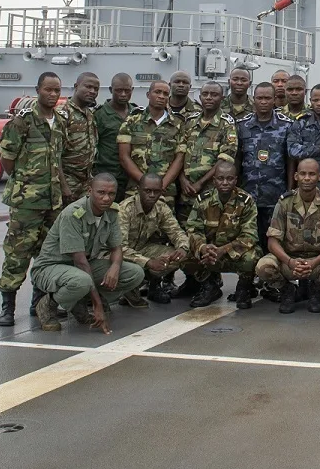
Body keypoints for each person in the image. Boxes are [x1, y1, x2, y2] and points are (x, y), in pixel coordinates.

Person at [29, 173, 143, 332]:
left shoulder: (111, 212)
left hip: (80, 269)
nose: (106, 198)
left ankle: (80, 301)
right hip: (51, 267)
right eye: (101, 192)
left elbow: (116, 247)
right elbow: (80, 261)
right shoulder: (73, 214)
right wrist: (97, 306)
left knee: (135, 273)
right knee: (82, 280)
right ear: (90, 191)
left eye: (111, 194)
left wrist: (115, 267)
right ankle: (48, 305)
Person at [0, 72, 66, 327]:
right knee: (17, 254)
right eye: (48, 89)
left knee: (47, 254)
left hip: (52, 202)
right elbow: (7, 159)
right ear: (38, 89)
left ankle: (39, 304)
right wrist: (24, 183)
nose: (53, 94)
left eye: (57, 90)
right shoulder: (21, 122)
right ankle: (7, 307)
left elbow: (58, 160)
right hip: (26, 202)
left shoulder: (59, 121)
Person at [255, 158, 320, 313]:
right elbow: (272, 241)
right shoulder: (285, 202)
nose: (307, 178)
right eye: (303, 174)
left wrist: (314, 263)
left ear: (319, 177)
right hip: (289, 259)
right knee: (263, 267)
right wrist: (290, 261)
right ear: (296, 176)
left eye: (312, 174)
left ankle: (315, 291)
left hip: (317, 261)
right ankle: (287, 291)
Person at [235, 82, 291, 301]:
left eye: (268, 98)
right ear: (254, 98)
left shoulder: (286, 125)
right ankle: (245, 283)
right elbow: (238, 158)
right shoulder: (243, 125)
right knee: (248, 240)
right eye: (260, 98)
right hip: (248, 195)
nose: (264, 102)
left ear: (275, 100)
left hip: (275, 195)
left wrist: (289, 190)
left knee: (273, 241)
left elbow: (290, 161)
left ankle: (271, 285)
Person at [183, 160, 259, 309]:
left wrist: (223, 250)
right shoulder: (203, 200)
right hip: (209, 254)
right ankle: (209, 286)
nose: (225, 182)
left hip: (232, 253)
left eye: (230, 179)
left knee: (252, 257)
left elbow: (250, 236)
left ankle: (244, 288)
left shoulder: (246, 201)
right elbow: (193, 230)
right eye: (221, 178)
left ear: (236, 180)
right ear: (214, 180)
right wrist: (203, 248)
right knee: (184, 255)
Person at [117, 172, 190, 306]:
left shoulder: (161, 207)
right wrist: (149, 262)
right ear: (138, 189)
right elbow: (120, 248)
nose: (151, 195)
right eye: (147, 191)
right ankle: (128, 288)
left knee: (175, 256)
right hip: (118, 255)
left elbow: (176, 231)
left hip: (141, 249)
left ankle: (151, 285)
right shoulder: (125, 209)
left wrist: (182, 247)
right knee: (133, 264)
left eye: (156, 191)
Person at [175, 82, 239, 227]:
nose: (209, 98)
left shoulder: (227, 124)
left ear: (222, 98)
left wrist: (201, 183)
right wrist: (182, 179)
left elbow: (225, 160)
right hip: (186, 191)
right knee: (185, 232)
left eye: (214, 95)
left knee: (208, 231)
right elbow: (179, 153)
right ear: (200, 97)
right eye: (205, 94)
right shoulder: (190, 122)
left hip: (211, 192)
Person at [116, 81, 184, 209]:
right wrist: (145, 184)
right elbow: (124, 157)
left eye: (165, 94)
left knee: (164, 227)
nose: (161, 96)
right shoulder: (132, 121)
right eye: (157, 92)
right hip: (136, 189)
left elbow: (179, 159)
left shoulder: (178, 124)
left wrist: (161, 186)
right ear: (148, 95)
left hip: (165, 191)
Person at [93, 73, 140, 200]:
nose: (123, 94)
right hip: (108, 175)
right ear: (110, 90)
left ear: (132, 90)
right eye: (119, 90)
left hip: (132, 177)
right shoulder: (99, 115)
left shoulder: (137, 114)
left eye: (127, 90)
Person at [60, 72, 100, 204]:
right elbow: (54, 154)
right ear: (76, 86)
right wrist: (64, 185)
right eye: (88, 87)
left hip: (86, 182)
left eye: (96, 89)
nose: (92, 91)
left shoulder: (90, 114)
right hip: (68, 181)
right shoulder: (64, 113)